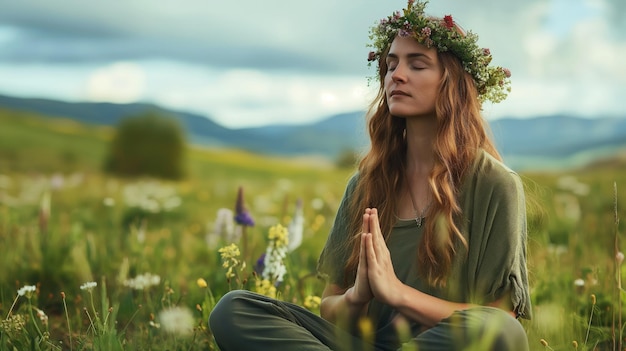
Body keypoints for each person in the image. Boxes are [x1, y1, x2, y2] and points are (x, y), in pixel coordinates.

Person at [209, 0, 531, 350]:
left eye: (417, 64)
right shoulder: (366, 185)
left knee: (502, 332)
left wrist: (399, 294)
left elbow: (500, 317)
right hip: (359, 344)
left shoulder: (496, 186)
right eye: (391, 65)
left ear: (452, 83)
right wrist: (358, 296)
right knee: (235, 308)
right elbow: (330, 308)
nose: (397, 75)